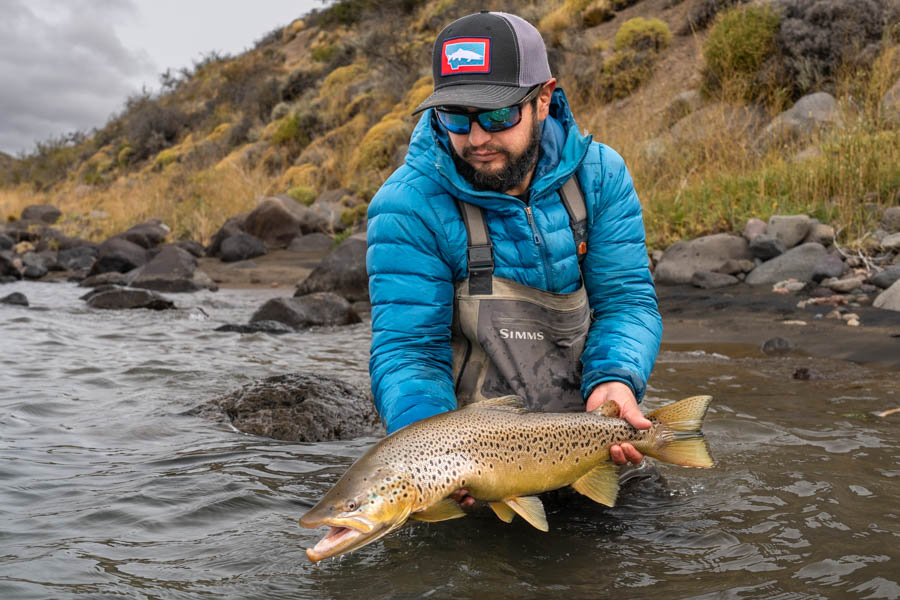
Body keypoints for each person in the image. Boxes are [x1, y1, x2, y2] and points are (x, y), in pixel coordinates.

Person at [366, 11, 662, 504]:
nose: (477, 138)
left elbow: (627, 303)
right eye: (455, 117)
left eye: (498, 115)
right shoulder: (408, 205)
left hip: (589, 442)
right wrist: (431, 459)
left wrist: (615, 379)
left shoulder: (600, 177)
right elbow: (409, 353)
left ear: (543, 99)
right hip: (473, 471)